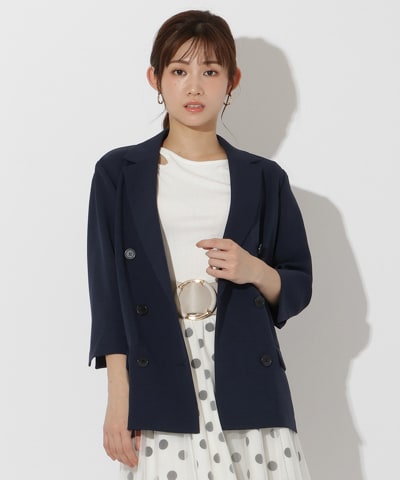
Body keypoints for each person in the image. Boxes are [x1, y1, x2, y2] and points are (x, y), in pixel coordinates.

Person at [87, 9, 313, 480]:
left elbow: (298, 285)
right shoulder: (118, 174)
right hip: (158, 370)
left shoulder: (265, 178)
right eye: (179, 71)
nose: (194, 87)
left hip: (246, 378)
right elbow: (108, 295)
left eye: (210, 72)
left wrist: (253, 269)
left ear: (232, 81)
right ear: (155, 78)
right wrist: (118, 396)